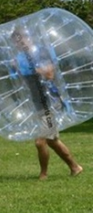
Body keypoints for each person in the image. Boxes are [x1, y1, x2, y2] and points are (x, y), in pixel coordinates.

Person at [10, 25, 83, 180]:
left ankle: (43, 174)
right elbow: (18, 82)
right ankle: (75, 167)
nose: (20, 43)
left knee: (40, 141)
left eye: (22, 38)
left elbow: (49, 74)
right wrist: (16, 69)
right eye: (16, 41)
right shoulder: (18, 59)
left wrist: (30, 69)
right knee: (52, 140)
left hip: (50, 103)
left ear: (28, 38)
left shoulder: (41, 52)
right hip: (38, 103)